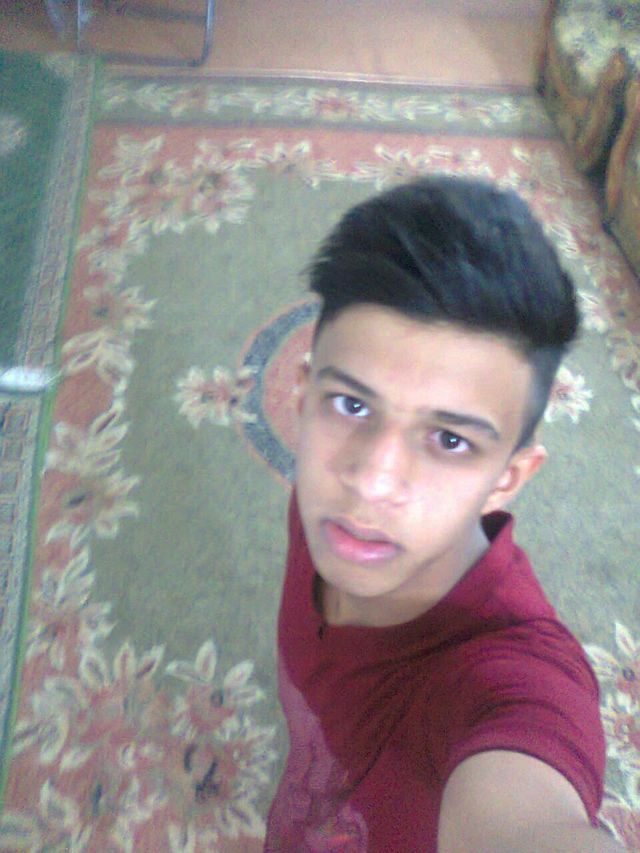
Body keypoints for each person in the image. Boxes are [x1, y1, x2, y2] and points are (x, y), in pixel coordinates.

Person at [264, 176, 622, 852]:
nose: (370, 482)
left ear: (507, 479)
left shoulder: (513, 682)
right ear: (305, 397)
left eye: (450, 440)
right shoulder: (326, 507)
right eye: (351, 405)